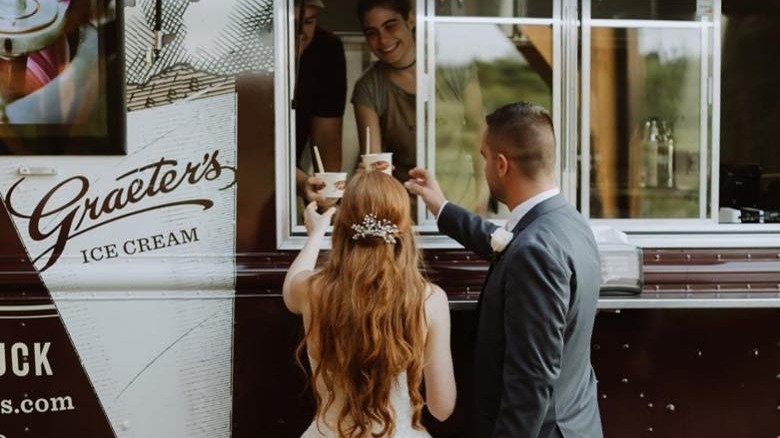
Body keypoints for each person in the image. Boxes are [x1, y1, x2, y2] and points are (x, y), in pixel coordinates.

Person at [405, 102, 603, 438]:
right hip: (577, 421)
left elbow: (530, 382)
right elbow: (507, 244)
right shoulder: (569, 222)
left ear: (501, 164)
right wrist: (442, 208)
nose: (482, 168)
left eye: (483, 157)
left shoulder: (535, 251)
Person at [283, 171, 456, 437]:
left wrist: (316, 234)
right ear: (404, 230)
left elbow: (291, 285)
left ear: (341, 229)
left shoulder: (313, 290)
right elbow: (442, 408)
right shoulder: (430, 299)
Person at [352, 0, 487, 213]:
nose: (383, 40)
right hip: (406, 212)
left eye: (390, 26)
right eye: (372, 32)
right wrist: (370, 176)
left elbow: (479, 131)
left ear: (411, 19)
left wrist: (482, 197)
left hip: (461, 205)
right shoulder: (368, 88)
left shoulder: (454, 65)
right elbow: (374, 160)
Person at [293, 0, 347, 205]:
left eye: (308, 22)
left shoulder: (326, 51)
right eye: (290, 23)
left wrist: (328, 201)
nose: (300, 34)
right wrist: (301, 182)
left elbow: (327, 141)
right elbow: (254, 150)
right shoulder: (241, 50)